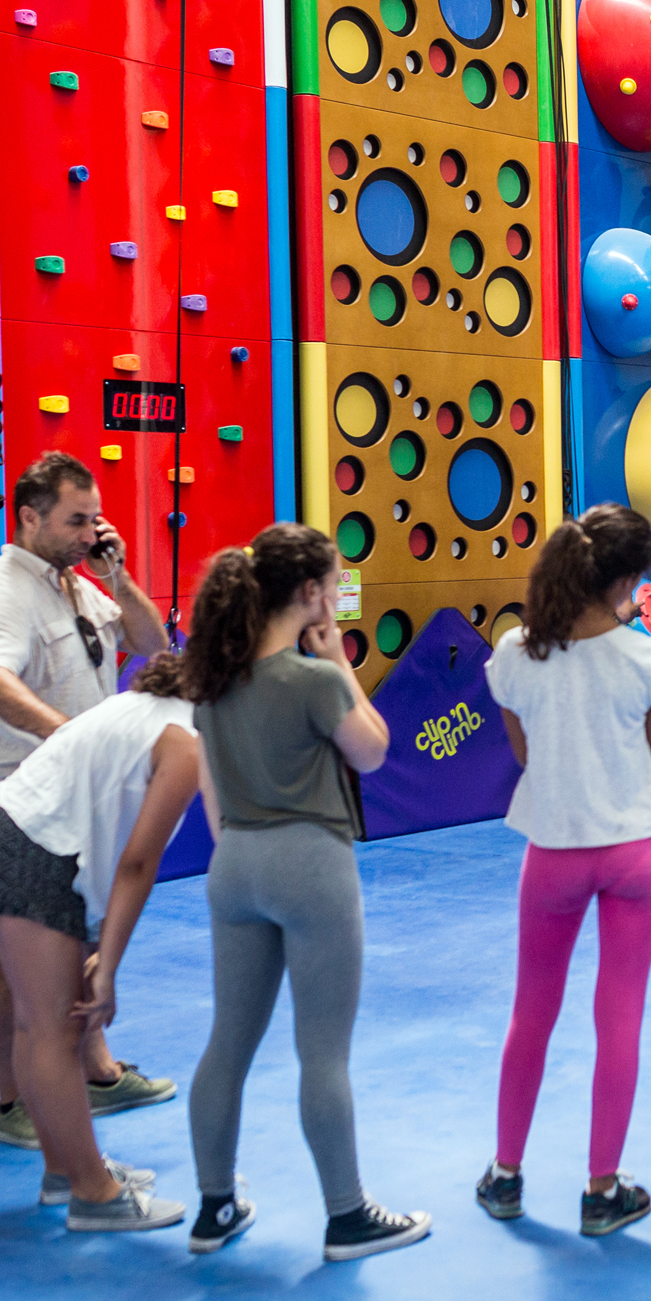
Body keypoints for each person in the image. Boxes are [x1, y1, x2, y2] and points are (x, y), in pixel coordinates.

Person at [182, 524, 429, 1262]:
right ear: (312, 594)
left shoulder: (215, 678)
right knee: (323, 1053)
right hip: (309, 864)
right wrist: (341, 663)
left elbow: (214, 797)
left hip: (237, 867)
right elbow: (376, 752)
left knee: (228, 1042)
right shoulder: (315, 680)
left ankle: (215, 1207)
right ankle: (347, 1215)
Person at [0, 452, 175, 1150]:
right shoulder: (4, 591)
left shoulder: (76, 585)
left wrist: (116, 571)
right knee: (10, 956)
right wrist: (71, 738)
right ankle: (15, 1100)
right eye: (76, 520)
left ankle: (98, 1074)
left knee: (81, 937)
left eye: (95, 519)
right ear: (29, 517)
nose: (90, 530)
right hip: (17, 802)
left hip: (77, 805)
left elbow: (152, 643)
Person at [474, 505, 651, 1237]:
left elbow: (527, 753)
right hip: (637, 849)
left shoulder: (516, 654)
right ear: (627, 580)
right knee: (617, 1016)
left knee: (532, 1012)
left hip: (554, 848)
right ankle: (602, 1191)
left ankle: (505, 1175)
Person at [0, 654, 197, 1232]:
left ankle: (65, 1170)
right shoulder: (187, 742)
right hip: (32, 853)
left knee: (39, 1026)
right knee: (54, 1029)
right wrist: (108, 964)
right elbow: (138, 863)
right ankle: (94, 1194)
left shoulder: (144, 710)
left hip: (11, 840)